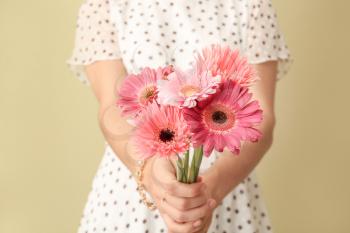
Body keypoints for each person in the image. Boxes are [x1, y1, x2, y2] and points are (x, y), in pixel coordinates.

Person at [66, 0, 291, 232]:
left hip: (227, 187)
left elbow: (260, 116)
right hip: (129, 193)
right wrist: (153, 175)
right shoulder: (103, 6)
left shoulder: (251, 5)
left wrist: (208, 194)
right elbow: (112, 107)